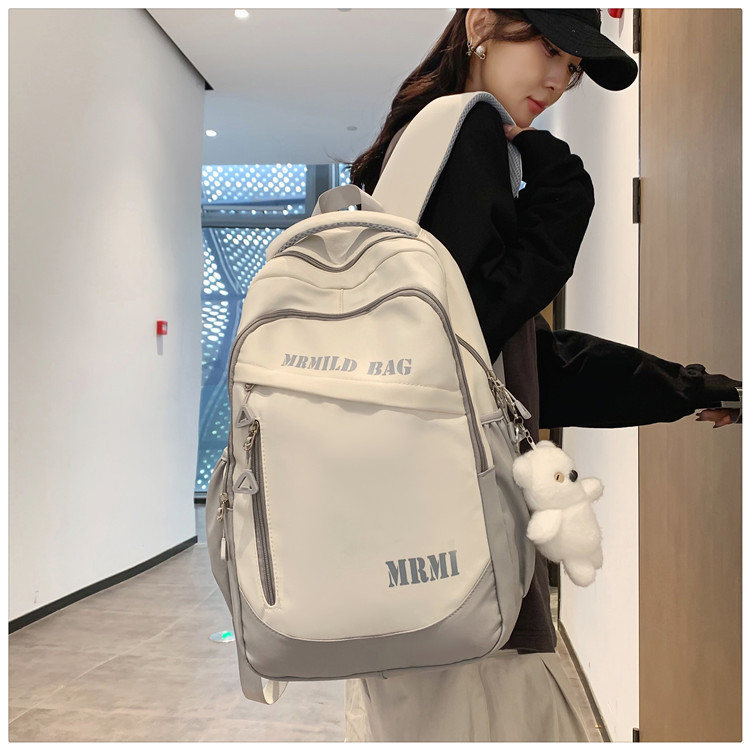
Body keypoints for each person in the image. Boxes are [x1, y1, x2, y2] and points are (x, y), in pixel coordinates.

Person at [344, 8, 742, 742]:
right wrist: (564, 190)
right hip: (451, 554)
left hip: (413, 543)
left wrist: (686, 387)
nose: (559, 80)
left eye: (575, 68)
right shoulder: (465, 133)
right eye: (550, 49)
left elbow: (517, 363)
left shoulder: (421, 145)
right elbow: (476, 334)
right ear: (482, 22)